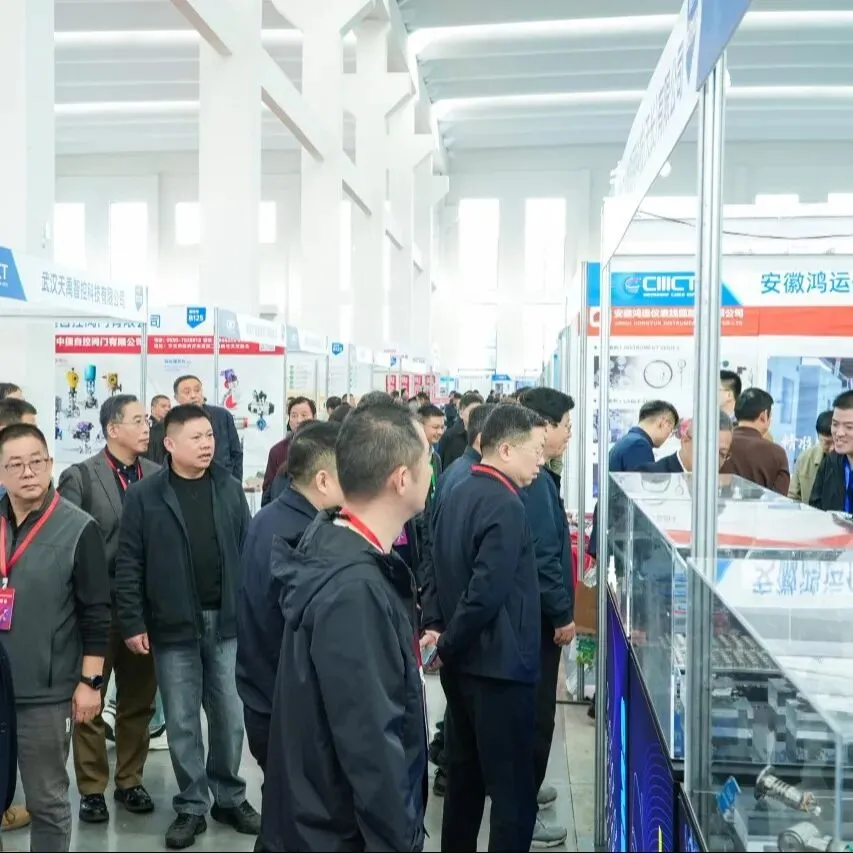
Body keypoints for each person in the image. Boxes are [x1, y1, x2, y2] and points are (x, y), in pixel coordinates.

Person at [261, 403, 431, 852]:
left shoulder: (333, 538)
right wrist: (400, 839)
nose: (432, 471)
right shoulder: (355, 589)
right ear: (401, 478)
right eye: (427, 460)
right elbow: (370, 742)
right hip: (336, 831)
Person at [115, 404, 259, 850]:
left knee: (230, 716)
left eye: (209, 436)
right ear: (170, 444)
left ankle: (229, 797)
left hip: (226, 621)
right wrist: (133, 621)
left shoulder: (229, 488)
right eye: (196, 438)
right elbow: (129, 562)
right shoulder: (145, 495)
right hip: (172, 623)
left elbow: (249, 551)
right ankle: (192, 803)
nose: (206, 444)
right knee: (180, 720)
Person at [431, 404, 547, 852]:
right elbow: (485, 593)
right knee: (513, 794)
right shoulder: (505, 503)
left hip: (464, 668)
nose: (540, 461)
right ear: (506, 449)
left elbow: (440, 570)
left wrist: (446, 643)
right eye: (535, 451)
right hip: (499, 670)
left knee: (466, 781)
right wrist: (449, 642)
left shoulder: (458, 488)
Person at [0, 423, 111, 851]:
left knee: (46, 799)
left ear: (50, 464)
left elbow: (96, 613)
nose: (28, 472)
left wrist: (90, 683)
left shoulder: (78, 528)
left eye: (36, 462)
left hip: (44, 692)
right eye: (15, 464)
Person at [59, 395, 160, 824]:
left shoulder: (157, 474)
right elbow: (68, 543)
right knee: (90, 700)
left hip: (144, 610)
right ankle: (91, 789)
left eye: (146, 420)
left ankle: (130, 780)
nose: (146, 427)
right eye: (137, 420)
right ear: (112, 429)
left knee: (138, 702)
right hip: (98, 611)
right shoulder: (81, 476)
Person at [236, 423, 343, 804]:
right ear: (323, 479)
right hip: (288, 707)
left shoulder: (270, 516)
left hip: (263, 696)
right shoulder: (306, 535)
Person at [515, 388, 577, 847]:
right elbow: (544, 558)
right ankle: (524, 812)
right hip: (537, 623)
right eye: (566, 426)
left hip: (533, 619)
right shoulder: (534, 483)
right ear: (545, 426)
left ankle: (527, 791)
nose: (569, 435)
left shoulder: (541, 478)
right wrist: (561, 614)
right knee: (534, 719)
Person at [145, 375, 243, 480]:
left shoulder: (222, 416)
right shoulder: (166, 425)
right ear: (176, 397)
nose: (193, 395)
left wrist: (235, 482)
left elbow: (236, 453)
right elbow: (156, 462)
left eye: (197, 390)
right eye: (187, 392)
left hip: (222, 481)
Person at [721, 387, 789, 494]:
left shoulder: (721, 444)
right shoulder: (777, 453)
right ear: (763, 416)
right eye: (770, 416)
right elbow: (780, 499)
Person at [261, 396, 316, 502]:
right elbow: (267, 492)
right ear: (289, 421)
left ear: (314, 418)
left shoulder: (324, 449)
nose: (299, 420)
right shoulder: (277, 451)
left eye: (304, 415)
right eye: (294, 416)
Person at [643, 410, 734, 473]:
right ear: (685, 439)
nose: (713, 459)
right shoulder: (650, 475)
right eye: (707, 450)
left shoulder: (724, 485)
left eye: (722, 454)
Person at [810, 391, 853, 512]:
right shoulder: (830, 461)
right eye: (835, 424)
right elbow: (815, 507)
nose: (839, 433)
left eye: (849, 427)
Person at [789, 410, 834, 504]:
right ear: (818, 437)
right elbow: (793, 496)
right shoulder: (805, 458)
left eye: (836, 441)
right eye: (827, 443)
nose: (832, 448)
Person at [437, 391, 484, 469]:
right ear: (461, 413)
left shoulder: (485, 437)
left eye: (479, 412)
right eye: (472, 411)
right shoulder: (449, 436)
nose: (476, 415)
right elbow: (440, 464)